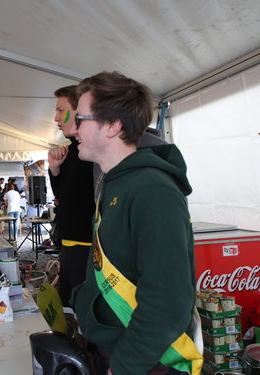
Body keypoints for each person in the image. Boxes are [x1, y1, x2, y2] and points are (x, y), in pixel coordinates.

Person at [71, 72, 202, 374]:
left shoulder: (153, 190)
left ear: (113, 126)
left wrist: (125, 366)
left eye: (82, 119)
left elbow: (167, 302)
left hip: (146, 363)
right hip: (114, 348)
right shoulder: (115, 182)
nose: (74, 129)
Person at [48, 85, 95, 308]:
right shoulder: (71, 151)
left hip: (90, 247)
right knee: (70, 310)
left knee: (83, 312)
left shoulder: (94, 152)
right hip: (69, 244)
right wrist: (55, 170)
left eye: (61, 110)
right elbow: (63, 195)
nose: (56, 118)